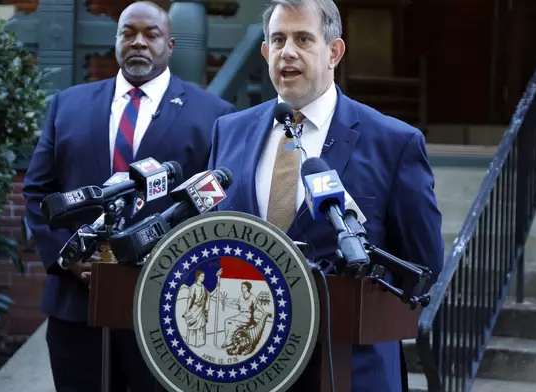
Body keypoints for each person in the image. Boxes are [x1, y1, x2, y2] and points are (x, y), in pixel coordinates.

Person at [206, 0, 444, 391]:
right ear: (265, 52)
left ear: (334, 52)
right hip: (243, 365)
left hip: (349, 369)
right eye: (278, 40)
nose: (288, 52)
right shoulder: (228, 131)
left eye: (303, 39)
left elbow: (422, 266)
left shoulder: (393, 143)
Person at [22, 1, 236, 391]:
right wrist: (68, 259)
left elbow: (216, 206)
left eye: (151, 34)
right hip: (76, 306)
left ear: (170, 45)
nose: (139, 42)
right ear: (116, 40)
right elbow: (38, 191)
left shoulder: (214, 114)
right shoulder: (66, 105)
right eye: (128, 33)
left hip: (166, 308)